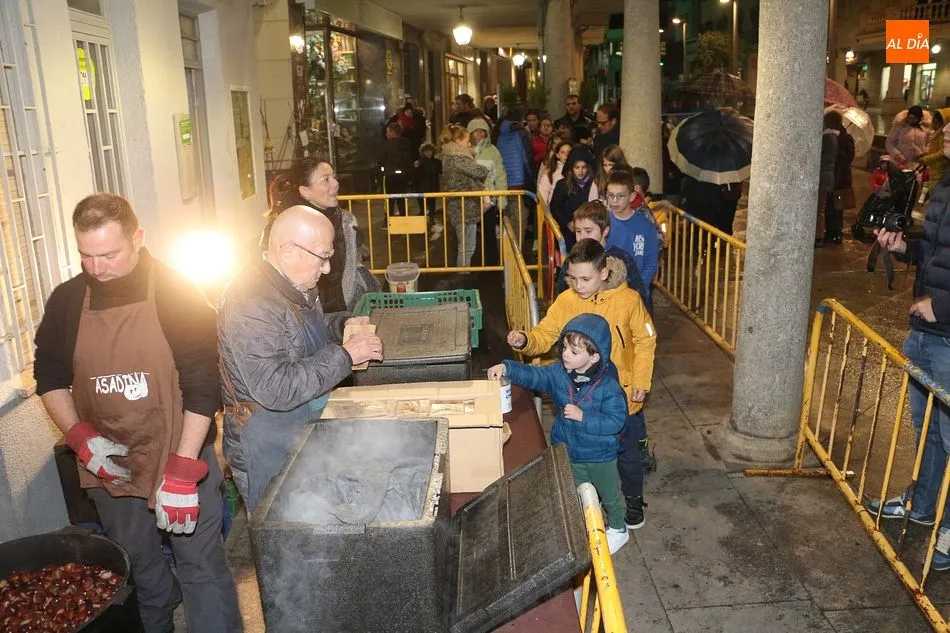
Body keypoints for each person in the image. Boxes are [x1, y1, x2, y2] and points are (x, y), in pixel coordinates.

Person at [34, 193, 242, 632]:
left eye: (109, 254)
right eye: (86, 255)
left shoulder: (176, 293)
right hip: (111, 463)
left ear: (138, 238)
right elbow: (49, 376)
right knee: (139, 565)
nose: (97, 267)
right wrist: (79, 437)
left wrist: (183, 470)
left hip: (179, 451)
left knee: (200, 567)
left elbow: (203, 386)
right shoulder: (67, 301)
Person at [218, 206, 383, 515]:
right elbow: (275, 388)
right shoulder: (251, 304)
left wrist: (341, 326)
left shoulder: (292, 280)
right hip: (267, 438)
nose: (327, 268)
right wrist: (346, 356)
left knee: (314, 517)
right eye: (322, 257)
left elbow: (301, 334)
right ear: (289, 251)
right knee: (280, 528)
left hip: (301, 422)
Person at [507, 239, 657, 529]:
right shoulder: (567, 302)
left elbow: (645, 340)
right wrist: (525, 340)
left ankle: (634, 500)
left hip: (621, 395)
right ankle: (594, 500)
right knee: (588, 452)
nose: (578, 285)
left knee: (627, 456)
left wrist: (641, 380)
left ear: (603, 272)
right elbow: (546, 334)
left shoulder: (628, 300)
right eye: (573, 278)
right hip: (581, 395)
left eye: (585, 279)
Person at [488, 314, 630, 554]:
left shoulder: (608, 387)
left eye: (574, 352)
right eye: (564, 347)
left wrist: (583, 417)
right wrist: (508, 368)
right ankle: (585, 523)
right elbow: (536, 376)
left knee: (610, 494)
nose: (565, 354)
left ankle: (618, 528)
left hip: (600, 455)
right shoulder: (559, 373)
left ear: (594, 357)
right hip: (569, 449)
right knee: (576, 491)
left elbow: (616, 422)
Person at [867, 178, 950, 571]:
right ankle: (922, 504)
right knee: (927, 428)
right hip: (925, 331)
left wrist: (944, 307)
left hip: (946, 332)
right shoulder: (945, 183)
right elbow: (938, 254)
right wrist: (906, 249)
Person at [265, 157, 379, 312]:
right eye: (326, 180)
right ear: (305, 191)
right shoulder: (284, 229)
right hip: (311, 315)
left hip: (344, 311)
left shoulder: (344, 220)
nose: (336, 184)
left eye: (333, 177)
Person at [556, 201, 649, 308]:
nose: (582, 237)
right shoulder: (572, 259)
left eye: (588, 231)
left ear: (605, 231)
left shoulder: (622, 258)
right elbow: (562, 295)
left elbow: (639, 296)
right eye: (578, 231)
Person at [603, 169, 660, 311]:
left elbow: (650, 262)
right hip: (607, 292)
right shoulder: (603, 222)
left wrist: (639, 288)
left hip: (637, 293)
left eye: (621, 196)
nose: (614, 201)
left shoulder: (645, 226)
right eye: (611, 195)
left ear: (632, 196)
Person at [440, 124, 490, 265]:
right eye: (467, 141)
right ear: (458, 141)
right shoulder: (458, 159)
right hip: (463, 207)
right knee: (466, 247)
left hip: (463, 207)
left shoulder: (449, 157)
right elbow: (480, 172)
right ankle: (463, 273)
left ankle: (464, 272)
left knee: (466, 246)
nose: (469, 144)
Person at [468, 117, 508, 264]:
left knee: (488, 232)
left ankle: (491, 263)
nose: (479, 135)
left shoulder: (493, 151)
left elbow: (500, 175)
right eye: (476, 131)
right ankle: (470, 263)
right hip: (468, 199)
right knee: (468, 233)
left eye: (482, 131)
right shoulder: (464, 150)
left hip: (488, 199)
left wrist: (502, 199)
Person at [551, 145, 598, 249]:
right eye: (577, 167)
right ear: (571, 168)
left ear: (588, 167)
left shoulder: (593, 184)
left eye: (584, 167)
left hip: (588, 229)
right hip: (567, 230)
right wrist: (567, 223)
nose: (580, 171)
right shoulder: (562, 184)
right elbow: (554, 207)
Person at [826, 110, 856, 245]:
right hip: (832, 177)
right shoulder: (827, 135)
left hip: (840, 178)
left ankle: (837, 232)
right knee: (829, 205)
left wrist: (837, 150)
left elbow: (849, 156)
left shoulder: (845, 137)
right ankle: (830, 230)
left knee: (837, 206)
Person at [815, 114, 840, 248]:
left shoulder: (827, 138)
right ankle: (819, 235)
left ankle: (818, 237)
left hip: (822, 177)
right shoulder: (832, 137)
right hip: (826, 176)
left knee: (819, 209)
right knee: (821, 208)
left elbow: (821, 158)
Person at [380, 122, 414, 216]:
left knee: (389, 200)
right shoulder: (406, 145)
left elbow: (381, 161)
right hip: (403, 176)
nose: (386, 134)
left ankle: (388, 219)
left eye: (387, 132)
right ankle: (403, 217)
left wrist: (381, 172)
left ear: (392, 132)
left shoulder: (386, 146)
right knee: (402, 199)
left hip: (389, 176)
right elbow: (409, 161)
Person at [886, 104, 929, 169]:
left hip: (919, 164)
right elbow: (890, 142)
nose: (911, 121)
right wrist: (898, 155)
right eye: (909, 118)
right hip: (900, 163)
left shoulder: (926, 129)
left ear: (919, 118)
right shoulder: (899, 126)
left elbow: (930, 143)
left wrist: (923, 154)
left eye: (914, 118)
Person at [414, 141, 442, 233]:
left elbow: (441, 172)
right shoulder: (420, 162)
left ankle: (431, 218)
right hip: (422, 187)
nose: (429, 153)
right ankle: (423, 220)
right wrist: (416, 168)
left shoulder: (437, 162)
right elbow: (416, 176)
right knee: (422, 205)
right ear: (423, 152)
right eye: (426, 151)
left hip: (433, 186)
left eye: (430, 150)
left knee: (432, 204)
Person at [921, 108, 950, 193]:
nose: (934, 125)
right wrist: (925, 154)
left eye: (937, 123)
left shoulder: (944, 135)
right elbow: (935, 150)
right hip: (935, 167)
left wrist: (926, 158)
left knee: (936, 191)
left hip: (940, 167)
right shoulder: (937, 133)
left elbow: (943, 151)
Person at [537, 140, 572, 207]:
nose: (566, 155)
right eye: (562, 152)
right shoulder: (550, 173)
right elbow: (542, 198)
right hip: (554, 211)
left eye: (569, 152)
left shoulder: (579, 171)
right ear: (557, 155)